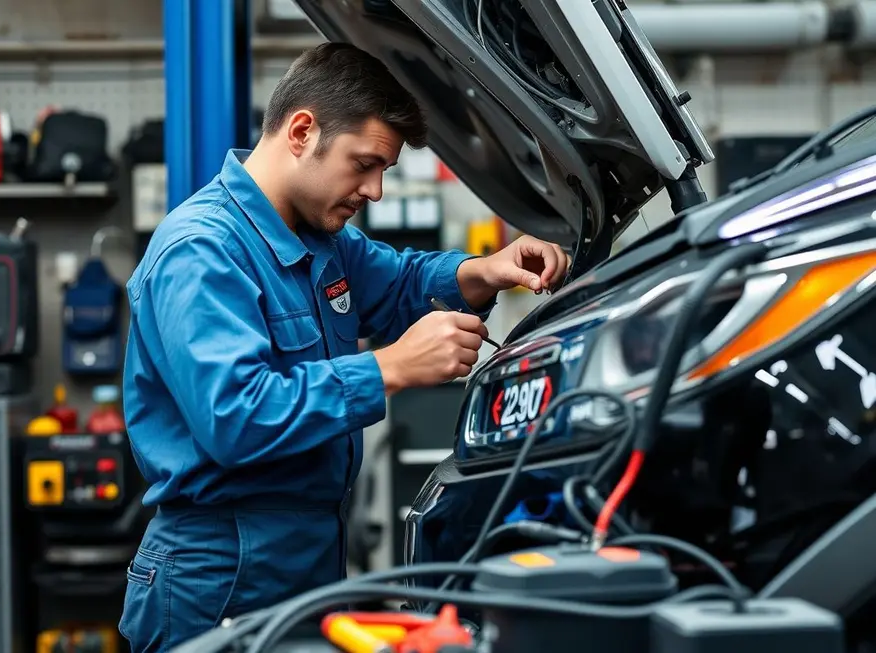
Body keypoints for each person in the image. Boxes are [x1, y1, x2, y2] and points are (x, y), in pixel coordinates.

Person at [117, 42, 570, 652]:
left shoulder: (320, 239)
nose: (375, 190)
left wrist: (485, 271)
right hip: (220, 576)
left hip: (307, 561)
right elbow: (235, 417)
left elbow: (401, 282)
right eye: (364, 164)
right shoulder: (202, 251)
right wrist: (390, 367)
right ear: (302, 131)